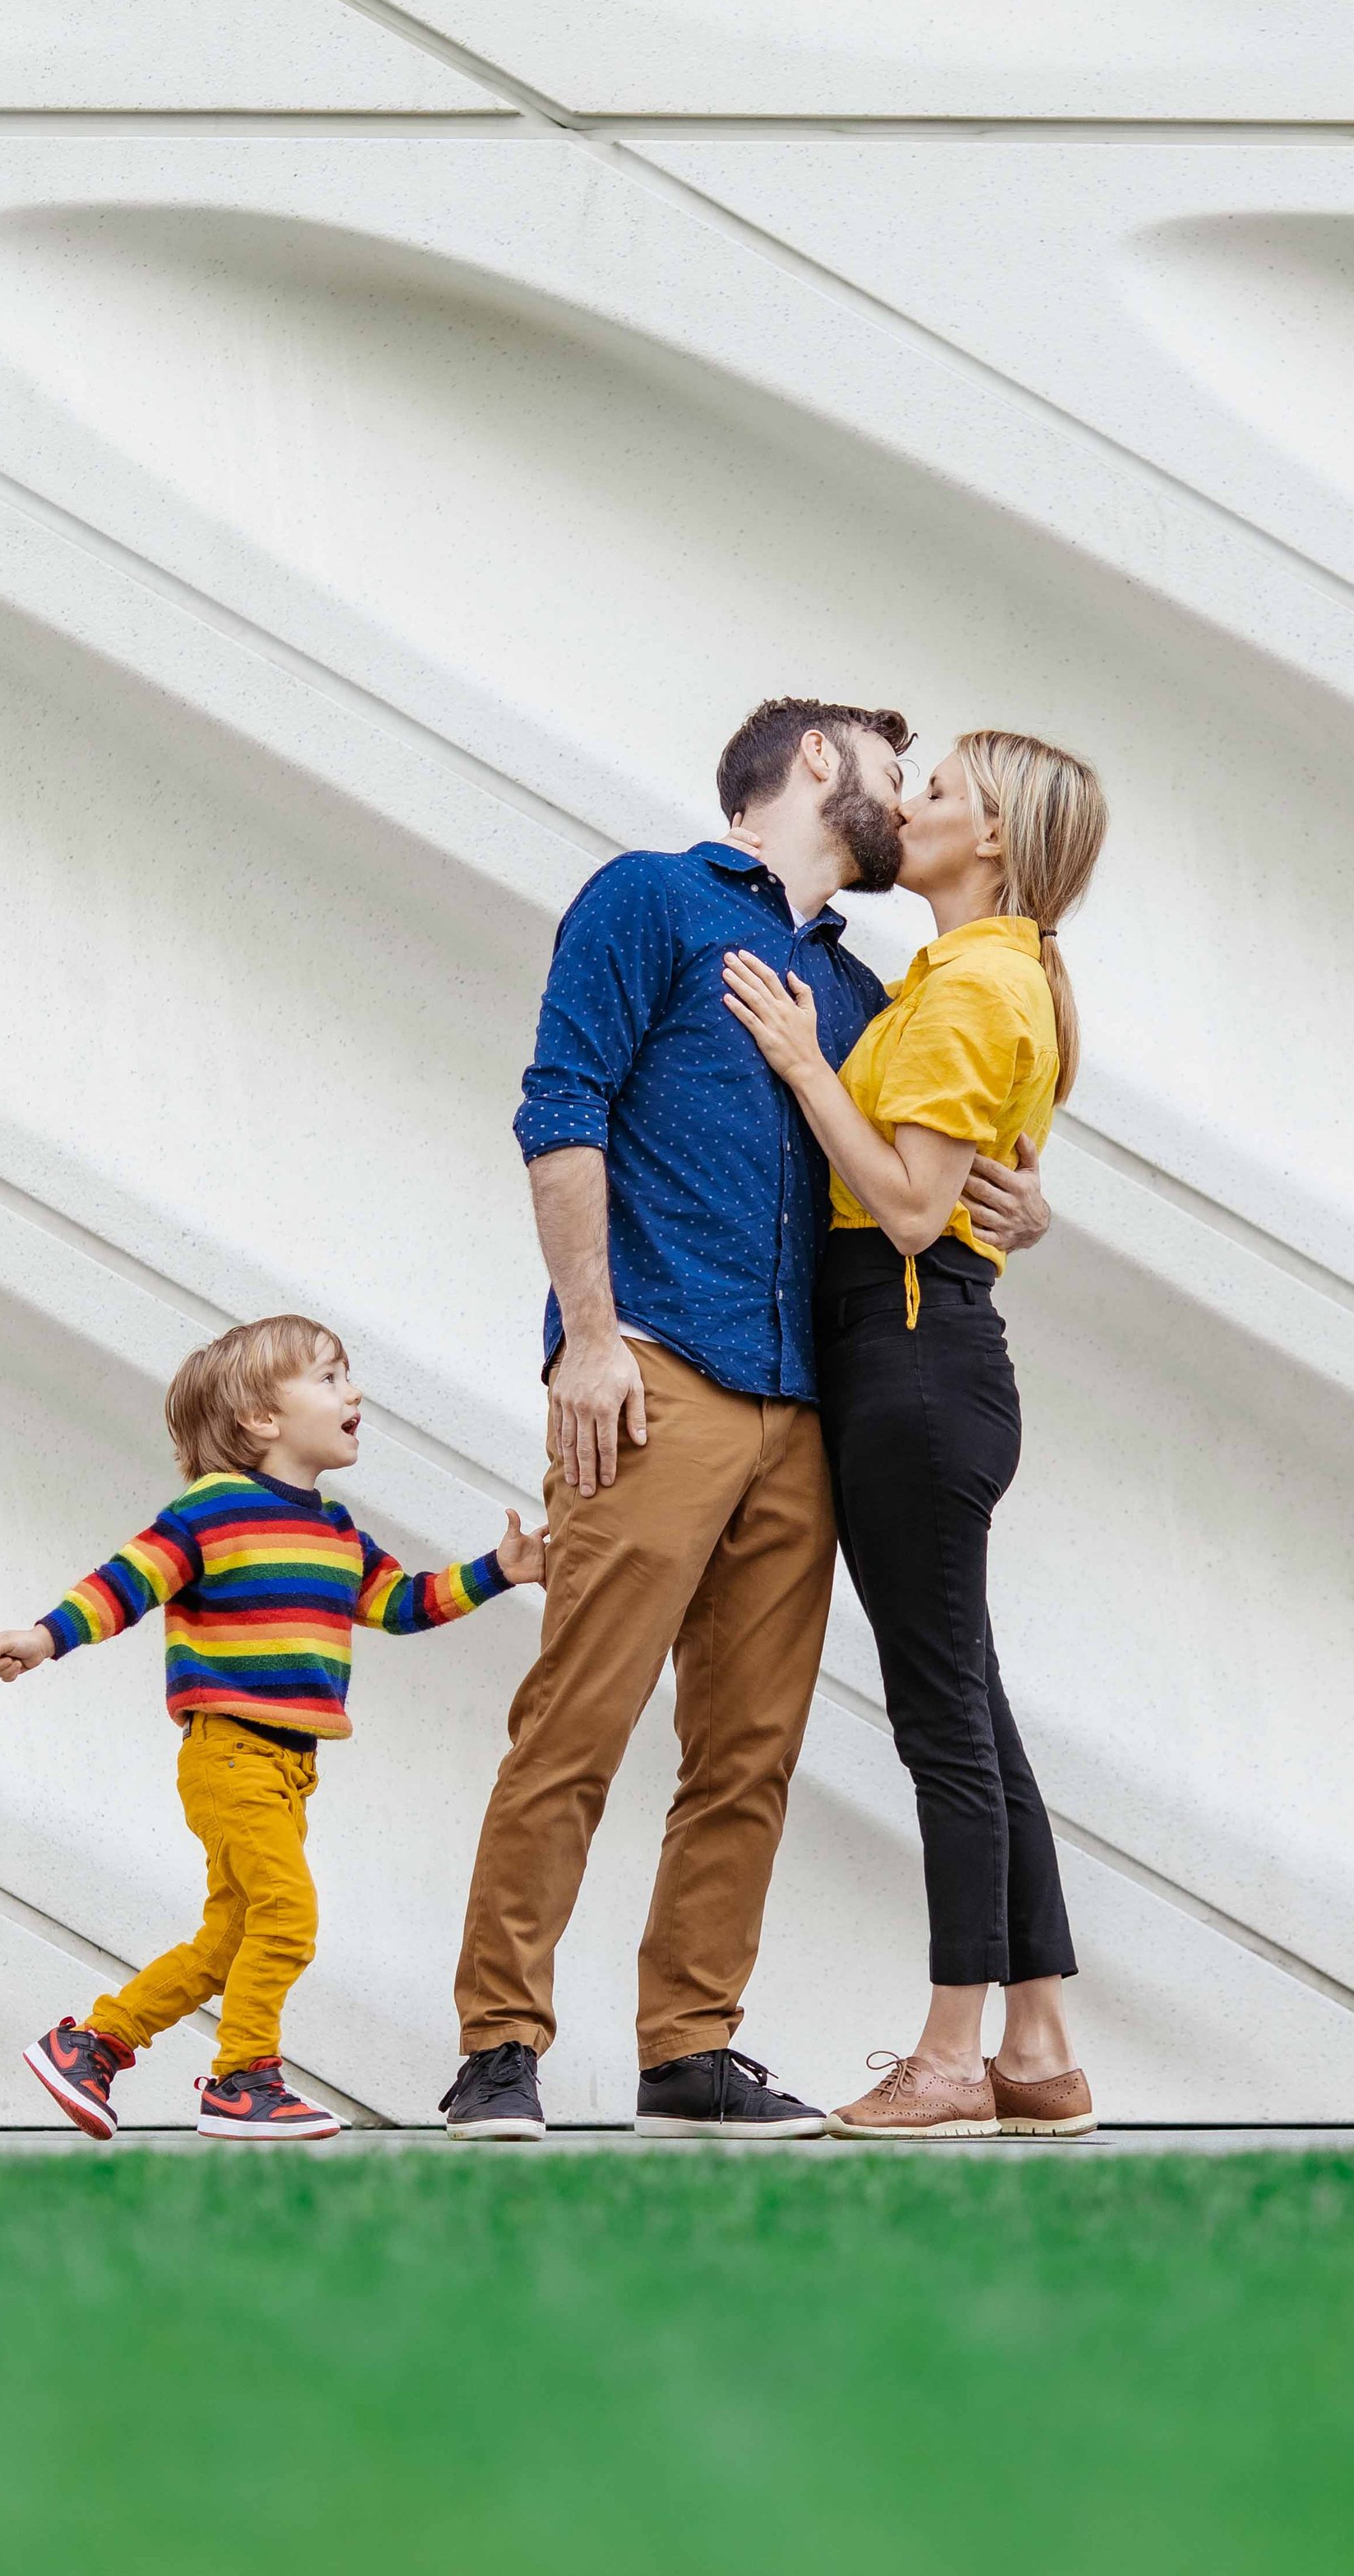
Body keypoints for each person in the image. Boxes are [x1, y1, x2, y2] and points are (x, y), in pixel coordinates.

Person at [442, 700, 1050, 2142]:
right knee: (576, 1722)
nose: (909, 800)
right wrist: (590, 1341)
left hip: (809, 1414)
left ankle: (690, 2049)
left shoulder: (861, 991)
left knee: (749, 1752)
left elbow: (924, 1168)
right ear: (821, 763)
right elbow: (560, 1109)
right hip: (658, 1379)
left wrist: (1032, 1211)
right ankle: (500, 2047)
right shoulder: (646, 898)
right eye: (895, 770)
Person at [722, 729, 1106, 2138]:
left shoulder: (973, 991)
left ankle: (951, 2057)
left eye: (938, 790)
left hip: (907, 1360)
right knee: (975, 1712)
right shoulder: (972, 982)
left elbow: (901, 1202)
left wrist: (800, 1057)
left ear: (992, 841)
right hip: (930, 1359)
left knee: (945, 1723)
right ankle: (1043, 2045)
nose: (909, 802)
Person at [0, 1315, 545, 2142]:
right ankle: (242, 2078)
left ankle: (91, 2041)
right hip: (228, 1753)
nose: (356, 1393)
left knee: (229, 1935)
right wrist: (44, 1636)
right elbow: (123, 1585)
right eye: (330, 1377)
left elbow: (400, 1603)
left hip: (289, 1768)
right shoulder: (211, 1512)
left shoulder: (337, 1530)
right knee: (286, 1914)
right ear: (260, 1420)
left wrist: (500, 1572)